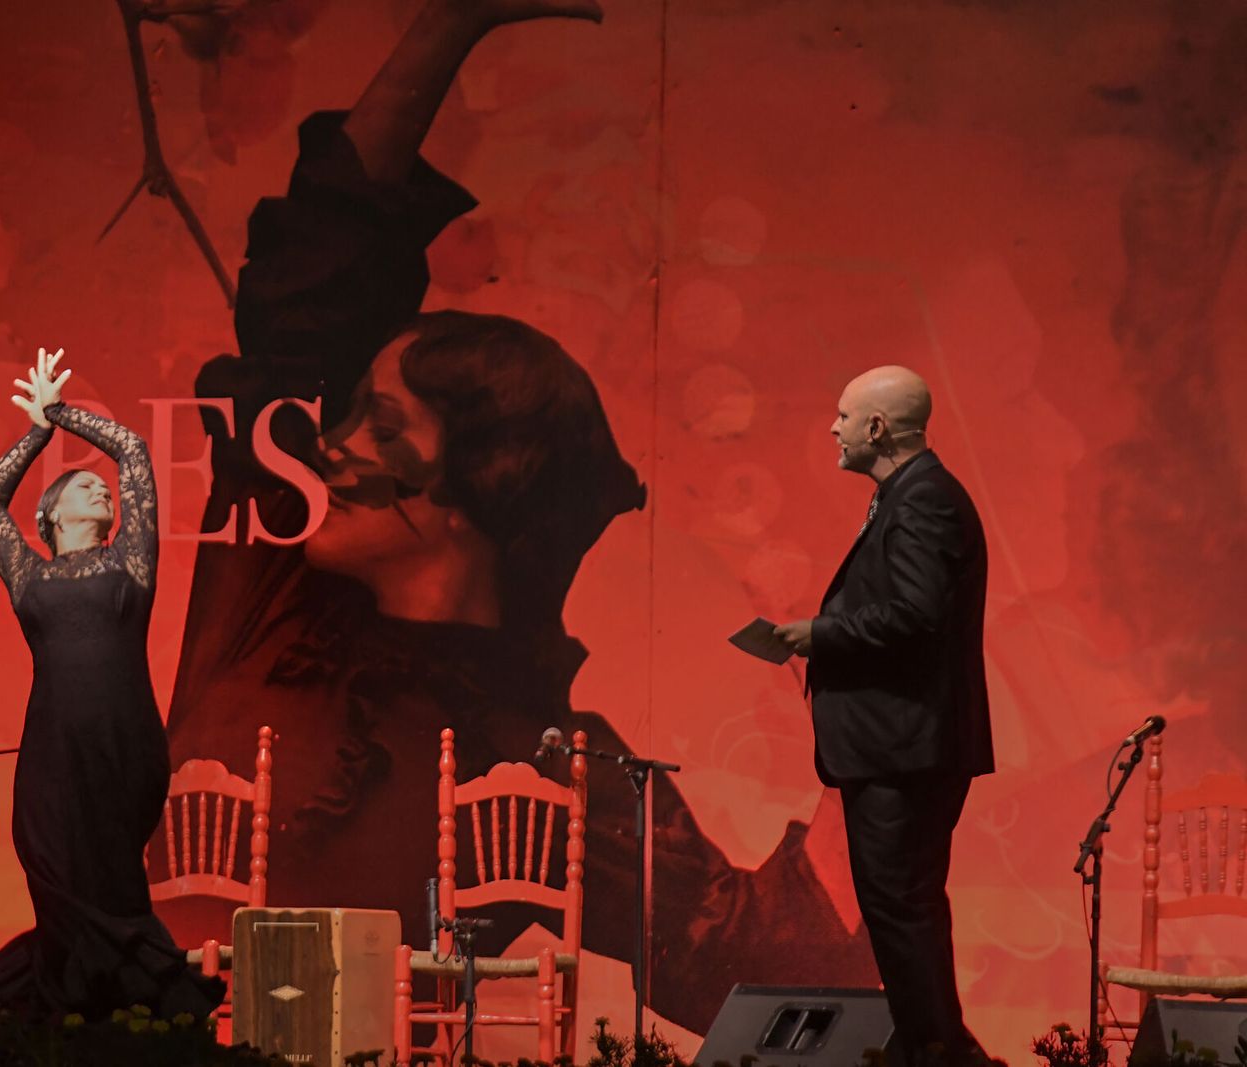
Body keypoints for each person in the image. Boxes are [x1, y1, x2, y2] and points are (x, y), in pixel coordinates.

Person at [161, 0, 878, 1033]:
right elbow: (305, 286)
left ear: (475, 497)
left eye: (378, 422)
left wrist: (868, 733)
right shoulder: (274, 597)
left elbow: (759, 969)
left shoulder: (546, 763)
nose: (330, 439)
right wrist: (444, 27)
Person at [0, 347, 222, 1019]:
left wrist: (65, 411)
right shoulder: (27, 573)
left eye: (103, 489)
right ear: (50, 516)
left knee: (113, 883)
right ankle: (67, 1020)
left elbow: (133, 453)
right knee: (58, 883)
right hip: (50, 754)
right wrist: (37, 434)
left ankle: (132, 1016)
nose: (103, 489)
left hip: (124, 746)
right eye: (85, 487)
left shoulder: (130, 564)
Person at [774, 365, 994, 1066]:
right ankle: (931, 1045)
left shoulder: (923, 499)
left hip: (907, 748)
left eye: (842, 416)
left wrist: (820, 634)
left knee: (903, 906)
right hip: (902, 745)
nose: (833, 429)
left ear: (877, 428)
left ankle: (939, 1051)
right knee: (904, 907)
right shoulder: (909, 495)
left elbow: (915, 613)